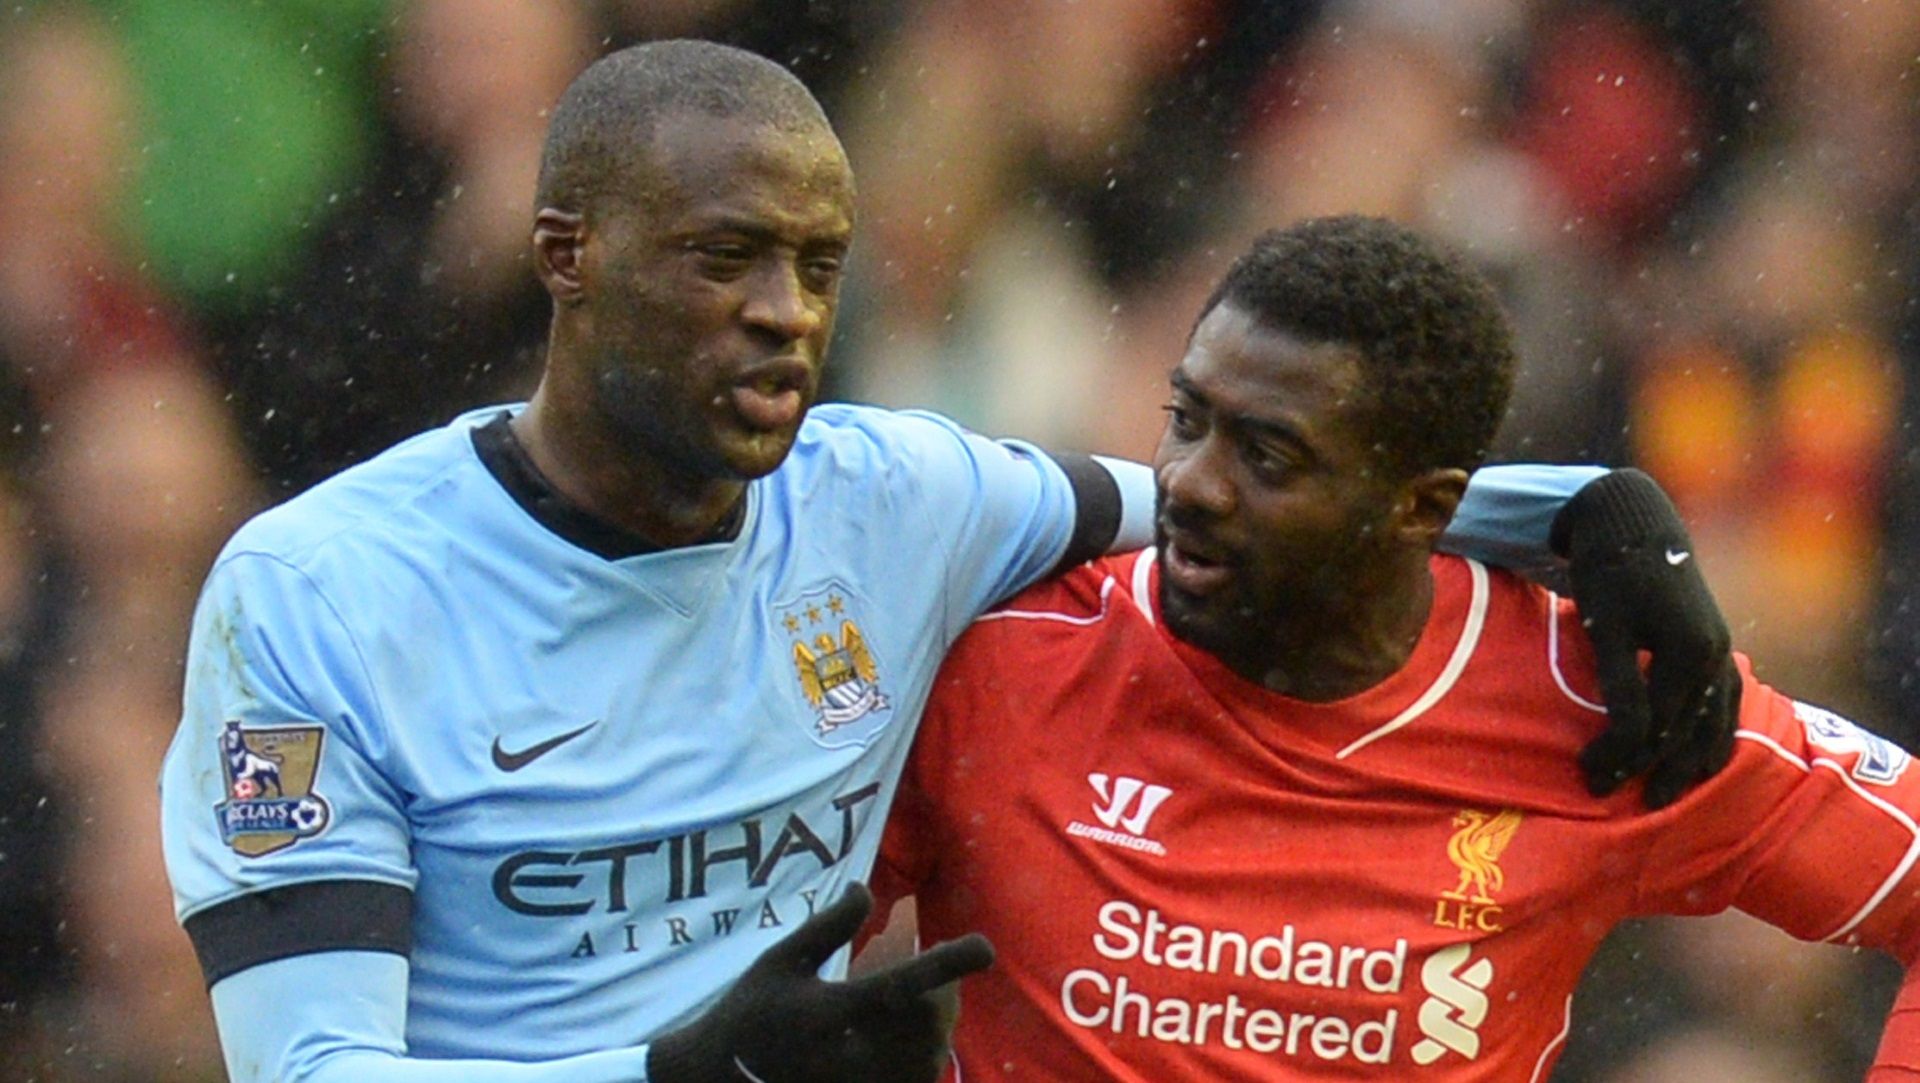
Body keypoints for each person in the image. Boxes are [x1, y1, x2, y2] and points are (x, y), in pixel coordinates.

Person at [160, 42, 1731, 1083]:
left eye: (818, 265)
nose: (784, 312)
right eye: (726, 257)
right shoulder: (320, 591)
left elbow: (1238, 500)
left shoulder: (894, 498)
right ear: (566, 254)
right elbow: (309, 1068)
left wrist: (1580, 509)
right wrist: (676, 1070)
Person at [869, 214, 1920, 1080]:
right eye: (1187, 418)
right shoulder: (1005, 657)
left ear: (1423, 508)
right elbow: (782, 934)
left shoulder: (1587, 701)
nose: (1188, 482)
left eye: (1268, 455)